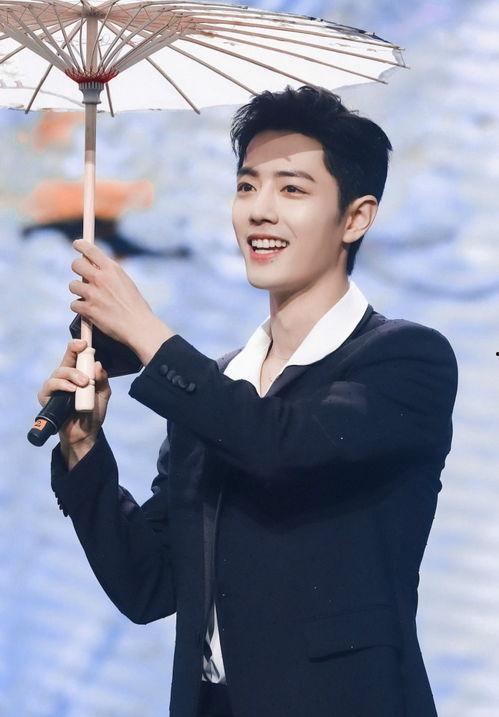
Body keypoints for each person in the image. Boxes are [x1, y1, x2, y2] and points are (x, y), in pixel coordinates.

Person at [39, 86, 458, 717]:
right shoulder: (216, 385)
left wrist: (147, 335)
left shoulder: (405, 360)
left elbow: (281, 445)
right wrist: (83, 449)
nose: (260, 211)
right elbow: (149, 584)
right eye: (246, 186)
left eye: (292, 189)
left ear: (356, 217)